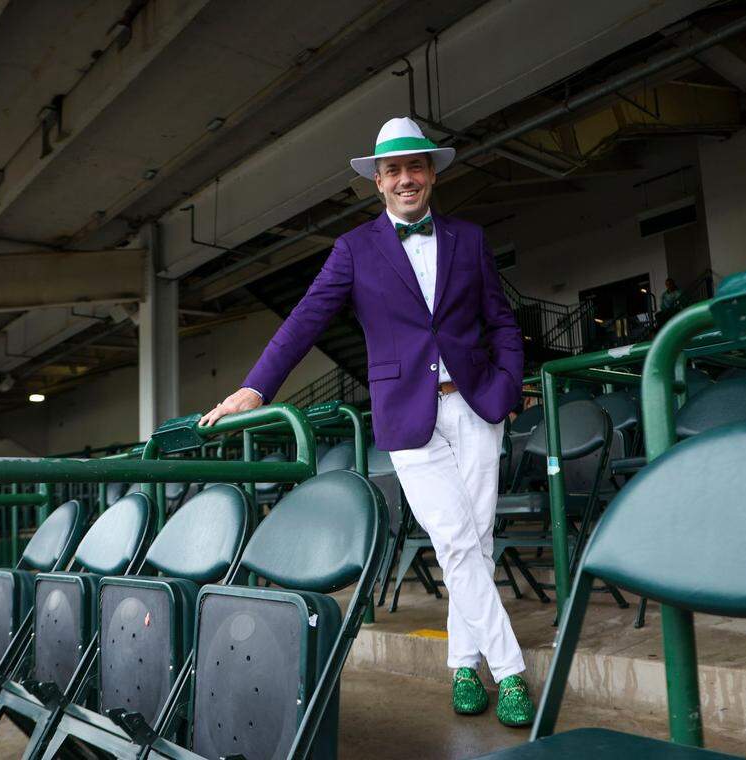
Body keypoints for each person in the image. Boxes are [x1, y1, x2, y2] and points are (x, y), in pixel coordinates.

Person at [200, 116, 534, 726]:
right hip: (408, 418)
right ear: (377, 184)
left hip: (478, 405)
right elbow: (305, 319)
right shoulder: (353, 250)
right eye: (392, 171)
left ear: (431, 173)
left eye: (415, 167)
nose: (405, 179)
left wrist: (509, 382)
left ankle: (462, 664)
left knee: (475, 544)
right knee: (455, 540)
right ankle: (510, 672)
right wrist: (255, 386)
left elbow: (502, 319)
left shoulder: (470, 238)